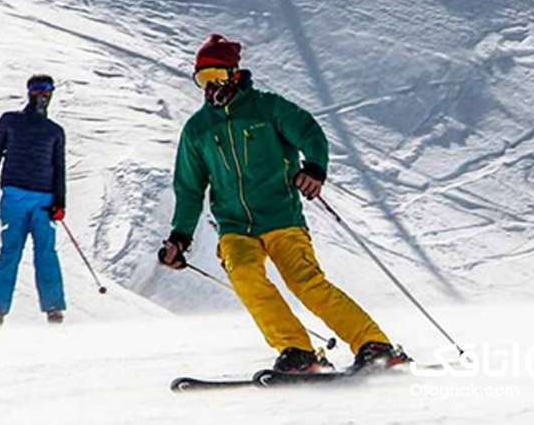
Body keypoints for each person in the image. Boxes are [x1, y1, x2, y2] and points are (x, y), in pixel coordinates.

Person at [157, 34, 404, 373]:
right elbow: (189, 188)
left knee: (305, 282)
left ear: (234, 73)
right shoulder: (198, 130)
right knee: (244, 274)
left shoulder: (267, 108)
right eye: (203, 79)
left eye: (217, 76)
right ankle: (298, 352)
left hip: (282, 217)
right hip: (234, 226)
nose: (211, 86)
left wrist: (315, 168)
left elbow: (309, 132)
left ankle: (373, 344)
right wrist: (179, 237)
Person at [0, 75, 67, 326]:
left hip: (45, 199)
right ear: (28, 91)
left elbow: (59, 167)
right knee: (10, 250)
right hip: (14, 196)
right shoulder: (10, 121)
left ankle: (53, 309)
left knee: (46, 252)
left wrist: (60, 202)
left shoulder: (55, 131)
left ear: (52, 93)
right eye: (37, 89)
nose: (42, 94)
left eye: (47, 89)